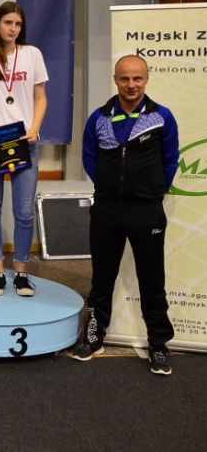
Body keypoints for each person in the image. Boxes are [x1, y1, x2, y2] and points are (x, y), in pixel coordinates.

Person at [72, 54, 179, 375]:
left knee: (152, 279)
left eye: (137, 78)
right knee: (102, 278)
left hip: (146, 211)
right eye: (125, 79)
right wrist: (107, 186)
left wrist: (153, 190)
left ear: (146, 79)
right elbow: (89, 158)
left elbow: (170, 159)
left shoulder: (161, 117)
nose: (131, 85)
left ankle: (158, 343)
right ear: (116, 80)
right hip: (106, 209)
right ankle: (94, 336)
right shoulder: (99, 118)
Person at [0, 1, 48, 297]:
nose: (13, 29)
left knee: (24, 211)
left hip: (25, 143)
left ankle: (22, 273)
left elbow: (41, 97)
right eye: (8, 23)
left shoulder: (32, 54)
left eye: (17, 24)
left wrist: (34, 128)